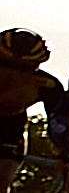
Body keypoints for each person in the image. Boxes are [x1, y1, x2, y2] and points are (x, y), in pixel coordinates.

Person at [0, 31, 65, 162]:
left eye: (23, 68)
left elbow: (60, 123)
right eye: (4, 64)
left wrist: (64, 153)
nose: (13, 74)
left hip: (10, 129)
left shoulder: (47, 85)